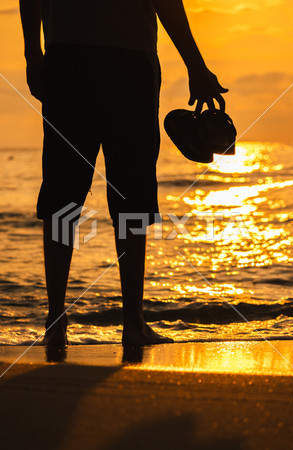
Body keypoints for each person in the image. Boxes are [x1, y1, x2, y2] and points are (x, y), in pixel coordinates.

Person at [19, 0, 228, 347]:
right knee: (131, 194)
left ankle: (56, 321)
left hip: (67, 57)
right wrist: (195, 64)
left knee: (63, 191)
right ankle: (132, 322)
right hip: (127, 60)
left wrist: (32, 54)